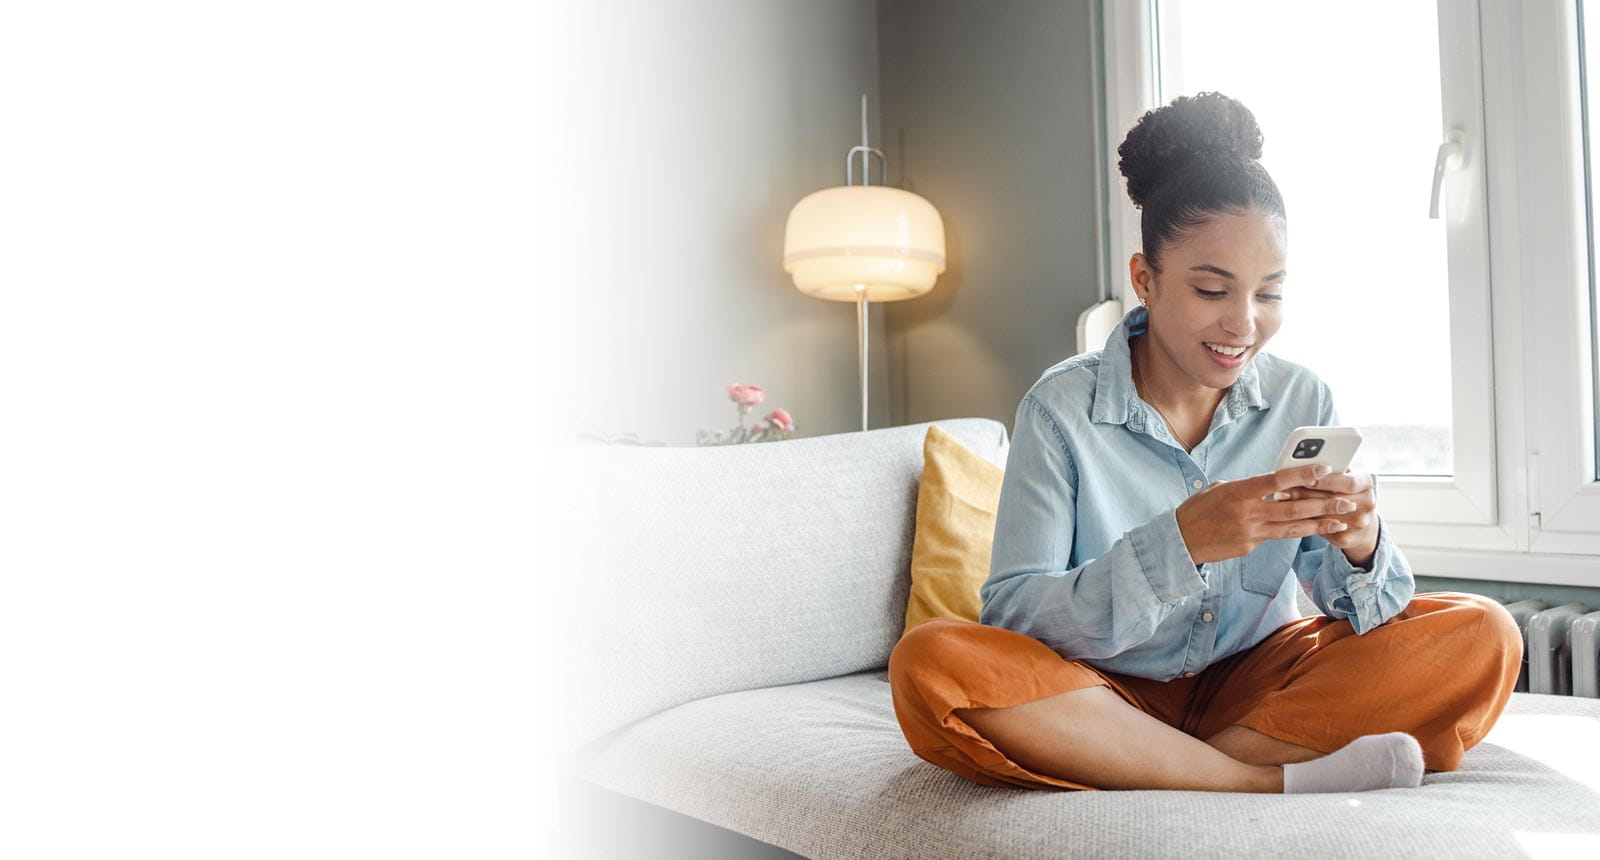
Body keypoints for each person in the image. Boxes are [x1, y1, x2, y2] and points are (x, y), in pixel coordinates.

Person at [887, 91, 1522, 794]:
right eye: (1213, 290)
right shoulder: (1060, 410)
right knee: (932, 660)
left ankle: (1155, 765)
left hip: (1253, 686)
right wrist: (1179, 545)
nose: (1243, 324)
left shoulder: (1300, 399)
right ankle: (1253, 781)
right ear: (1145, 279)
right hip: (1100, 691)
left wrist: (1362, 544)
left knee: (1485, 634)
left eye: (1269, 294)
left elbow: (1362, 615)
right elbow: (1013, 618)